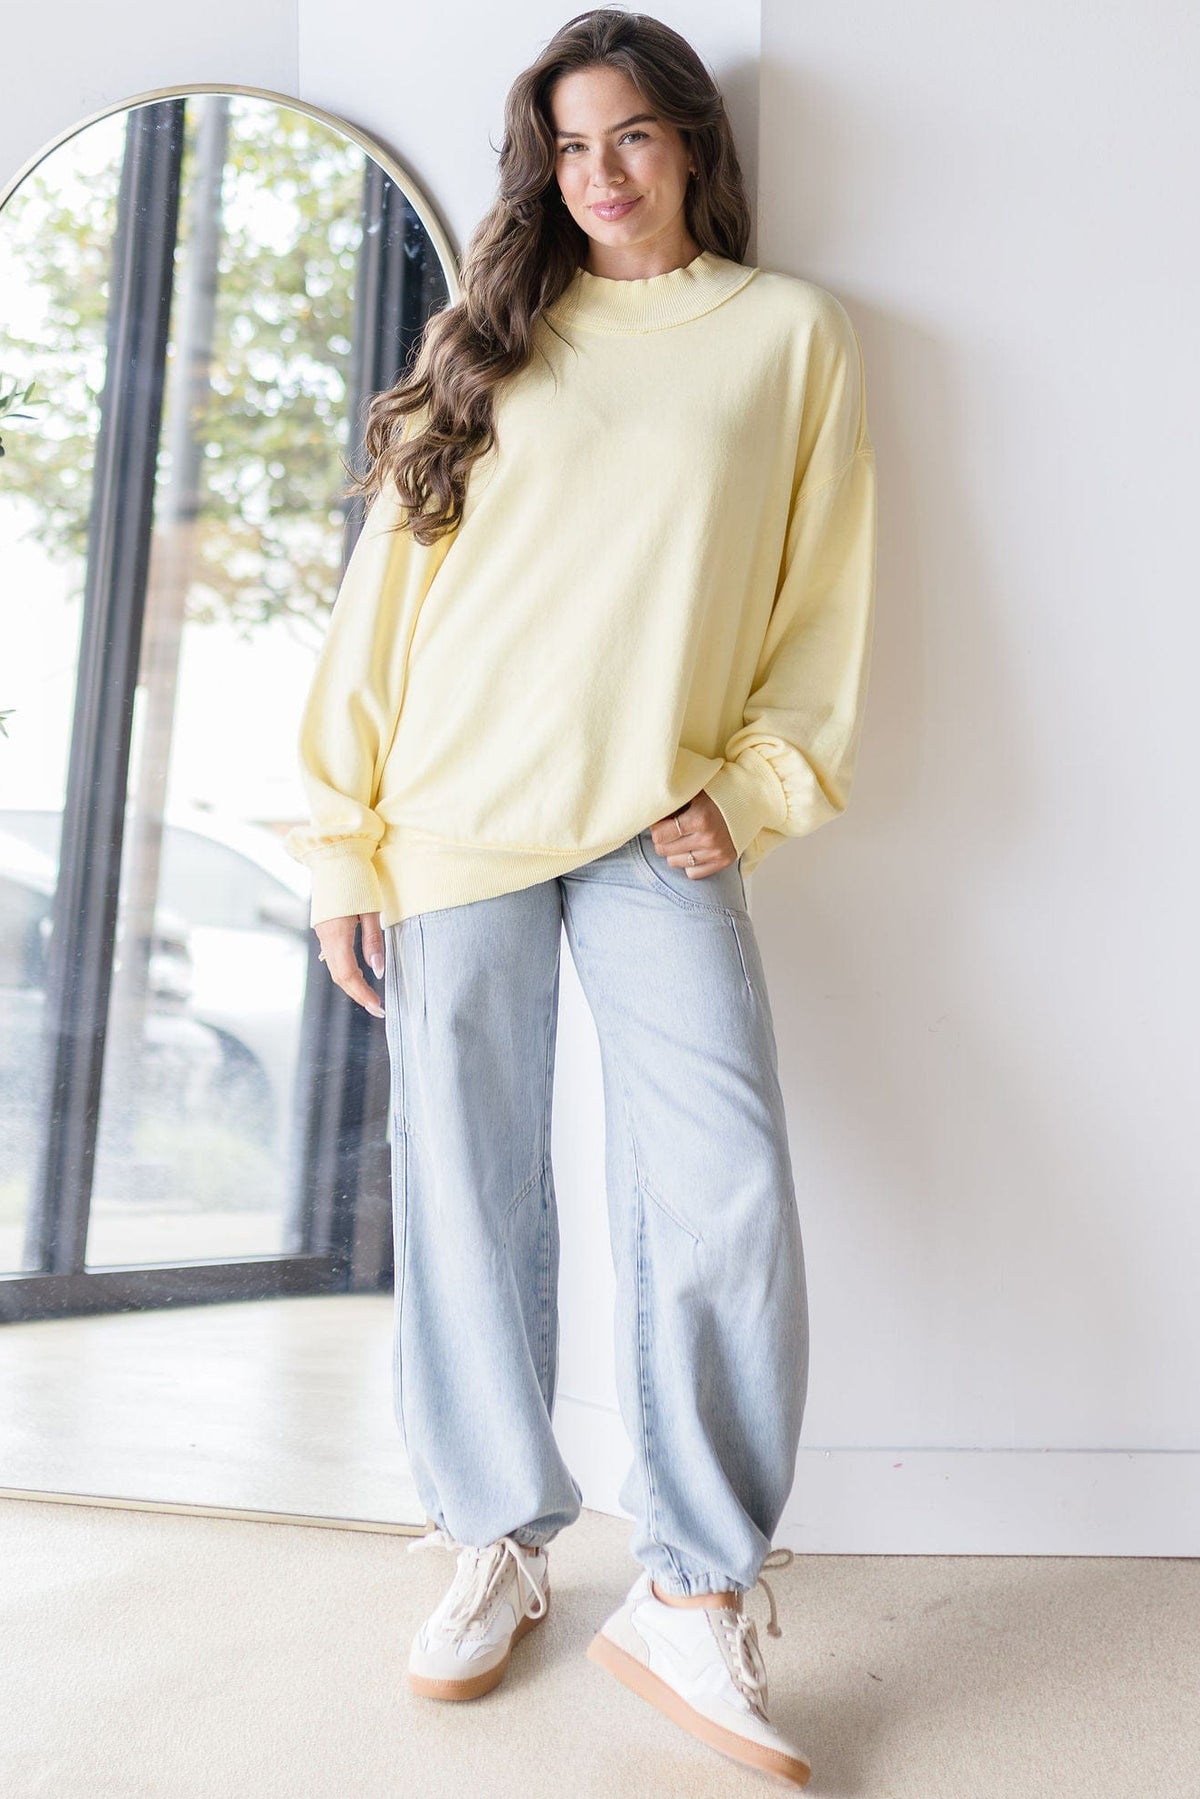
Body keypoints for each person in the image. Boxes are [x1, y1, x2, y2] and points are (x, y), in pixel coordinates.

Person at [284, 8, 877, 1789]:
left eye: (631, 136)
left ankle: (694, 1586)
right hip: (451, 813)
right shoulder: (492, 340)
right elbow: (385, 598)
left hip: (656, 821)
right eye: (567, 145)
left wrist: (755, 788)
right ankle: (497, 1535)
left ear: (689, 141)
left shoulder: (788, 336)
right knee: (468, 1181)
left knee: (724, 1185)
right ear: (539, 167)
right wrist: (341, 840)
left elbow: (821, 602)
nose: (601, 173)